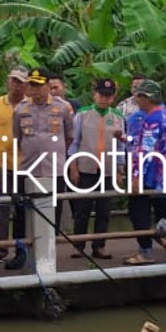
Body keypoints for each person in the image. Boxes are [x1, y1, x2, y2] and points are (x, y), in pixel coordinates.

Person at [8, 67, 75, 271]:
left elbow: (69, 136)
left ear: (47, 85)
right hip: (28, 168)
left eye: (39, 85)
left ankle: (49, 251)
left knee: (53, 209)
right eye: (32, 85)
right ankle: (21, 251)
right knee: (21, 212)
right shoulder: (21, 109)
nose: (35, 89)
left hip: (54, 168)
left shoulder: (63, 108)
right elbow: (17, 137)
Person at [123, 80, 166, 266]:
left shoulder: (153, 119)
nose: (137, 100)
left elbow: (144, 150)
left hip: (150, 173)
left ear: (146, 98)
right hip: (160, 171)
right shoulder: (163, 114)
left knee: (139, 210)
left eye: (139, 96)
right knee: (164, 207)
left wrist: (137, 176)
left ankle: (146, 251)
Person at [68, 78, 124, 260]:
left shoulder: (117, 117)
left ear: (113, 97)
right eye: (101, 95)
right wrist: (73, 166)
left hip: (107, 169)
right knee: (82, 210)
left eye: (108, 95)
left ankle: (99, 246)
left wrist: (118, 169)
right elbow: (74, 142)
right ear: (95, 94)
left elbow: (121, 147)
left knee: (104, 211)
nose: (104, 99)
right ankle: (79, 246)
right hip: (85, 168)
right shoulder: (82, 115)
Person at [0, 67, 27, 263]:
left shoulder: (30, 106)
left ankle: (22, 249)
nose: (16, 85)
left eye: (20, 81)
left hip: (26, 165)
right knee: (0, 208)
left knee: (23, 210)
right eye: (13, 80)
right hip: (3, 165)